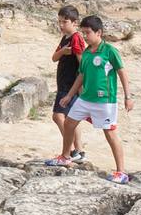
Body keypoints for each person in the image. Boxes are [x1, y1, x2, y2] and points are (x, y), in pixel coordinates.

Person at [57, 15, 134, 185]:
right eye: (83, 33)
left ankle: (121, 172)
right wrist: (69, 95)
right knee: (69, 123)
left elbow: (122, 72)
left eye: (88, 33)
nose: (85, 36)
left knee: (110, 133)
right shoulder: (85, 53)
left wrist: (128, 97)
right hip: (85, 99)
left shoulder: (109, 51)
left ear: (99, 32)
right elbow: (81, 75)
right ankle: (65, 156)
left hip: (105, 101)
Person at [44, 5, 87, 167]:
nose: (61, 25)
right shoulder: (66, 38)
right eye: (59, 21)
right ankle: (79, 152)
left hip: (70, 85)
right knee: (71, 118)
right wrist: (63, 51)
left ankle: (70, 151)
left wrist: (81, 85)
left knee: (58, 116)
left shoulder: (76, 38)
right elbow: (54, 57)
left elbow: (82, 62)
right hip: (65, 84)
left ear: (75, 22)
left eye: (65, 22)